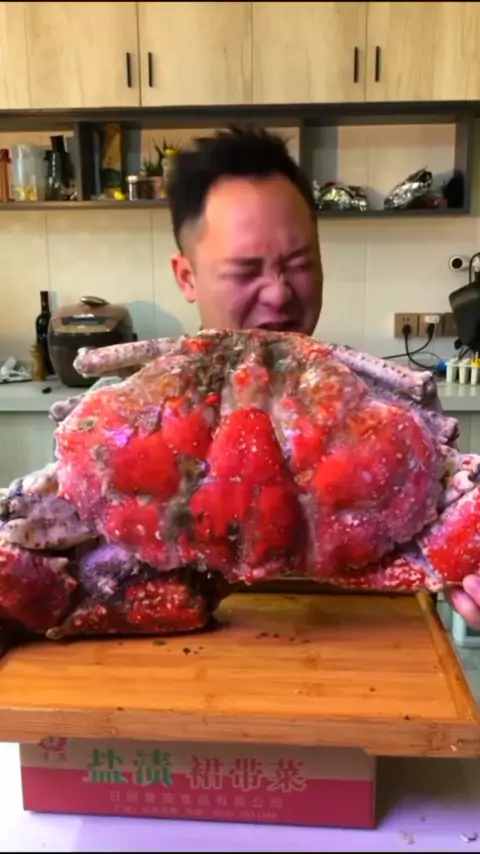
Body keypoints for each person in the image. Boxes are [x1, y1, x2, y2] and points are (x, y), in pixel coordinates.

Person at [167, 126, 480, 632]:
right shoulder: (125, 425)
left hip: (373, 651)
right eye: (245, 270)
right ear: (186, 276)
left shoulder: (395, 412)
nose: (279, 293)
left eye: (299, 263)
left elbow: (443, 541)